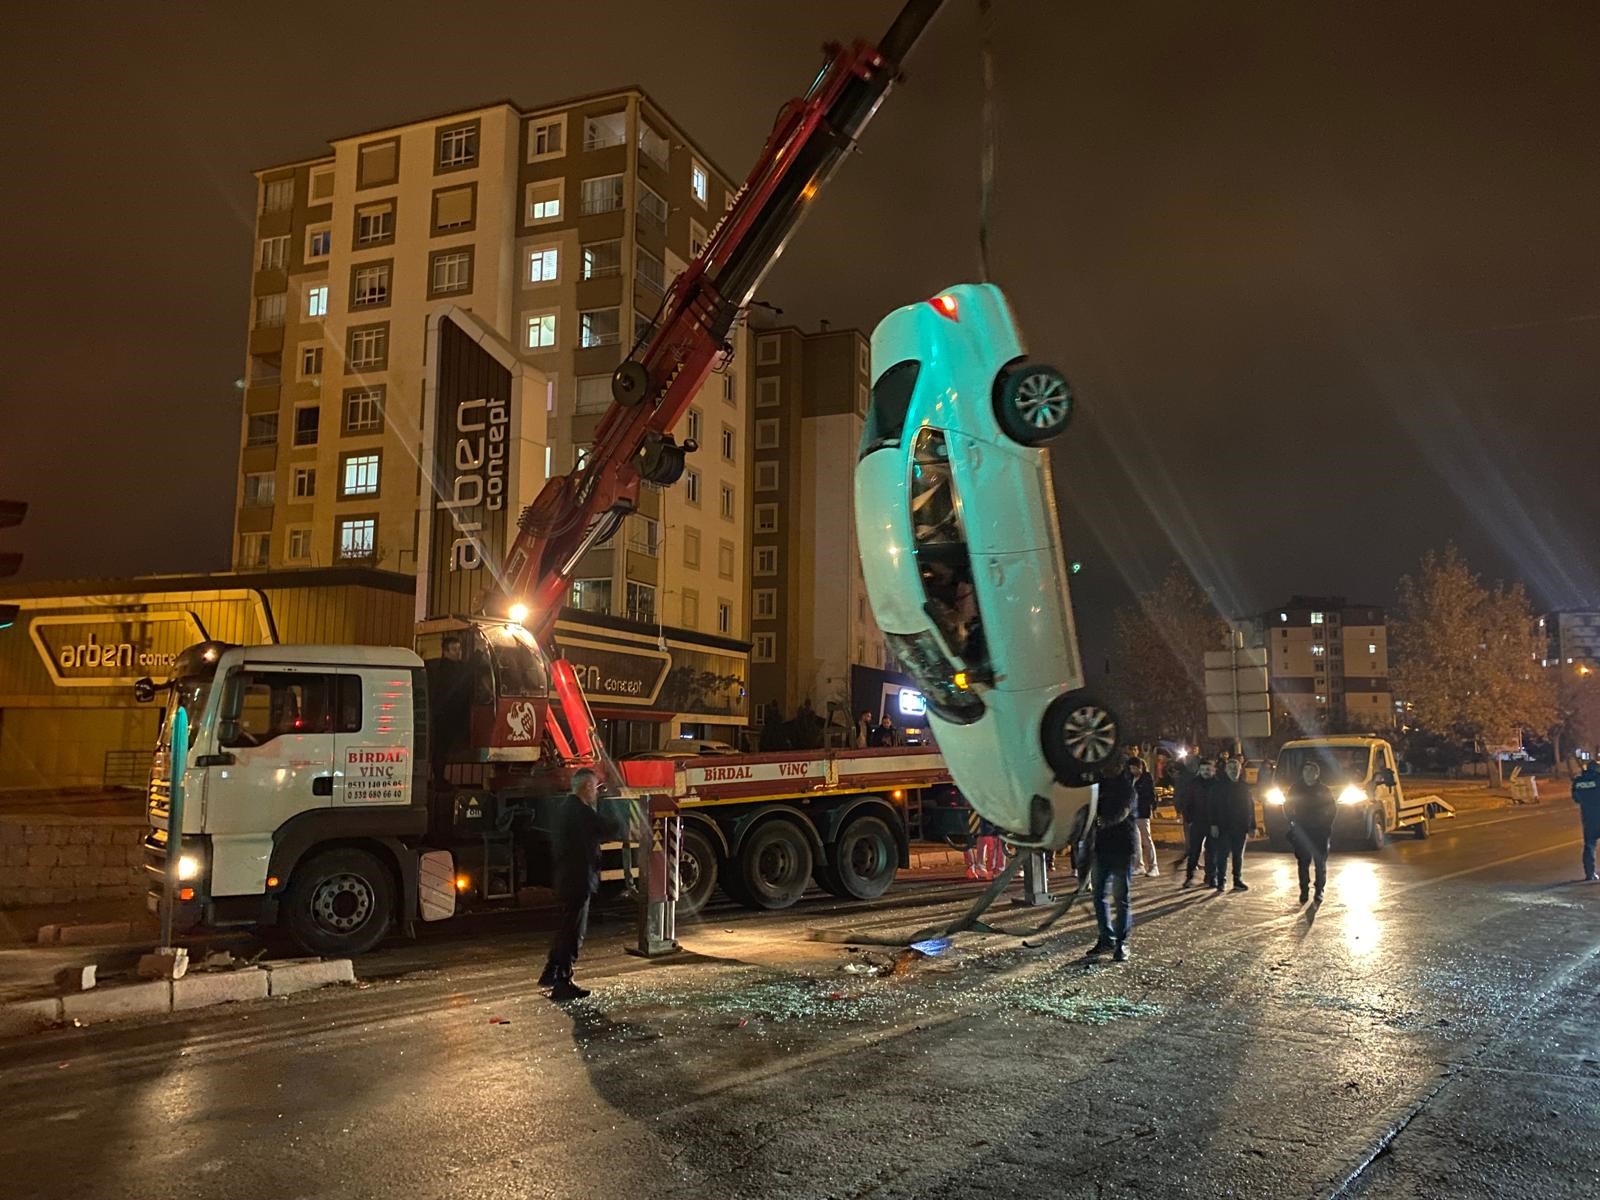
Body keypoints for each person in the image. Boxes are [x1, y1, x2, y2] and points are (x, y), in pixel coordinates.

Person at [539, 767, 611, 1001]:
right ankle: (563, 981)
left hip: (567, 878)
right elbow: (608, 828)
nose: (596, 793)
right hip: (579, 879)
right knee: (573, 932)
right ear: (587, 787)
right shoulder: (582, 812)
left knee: (566, 927)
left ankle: (551, 972)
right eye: (595, 788)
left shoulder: (565, 809)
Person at [1085, 771, 1137, 961]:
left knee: (1120, 897)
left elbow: (1122, 811)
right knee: (1099, 895)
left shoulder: (1126, 787)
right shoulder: (1098, 785)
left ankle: (1122, 942)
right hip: (1101, 848)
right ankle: (1106, 938)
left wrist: (1102, 822)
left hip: (1123, 848)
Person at [1285, 759, 1336, 905]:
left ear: (1317, 773)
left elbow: (1332, 809)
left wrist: (1326, 825)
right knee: (1303, 862)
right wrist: (1292, 822)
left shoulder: (1324, 790)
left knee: (1320, 863)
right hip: (1302, 831)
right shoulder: (1295, 789)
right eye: (1305, 770)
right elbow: (1287, 806)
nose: (1308, 774)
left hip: (1320, 832)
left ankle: (1319, 890)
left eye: (1311, 771)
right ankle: (1304, 891)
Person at [425, 634, 473, 782]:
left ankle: (438, 777)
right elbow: (463, 677)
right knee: (442, 748)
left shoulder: (446, 667)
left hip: (448, 715)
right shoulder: (446, 668)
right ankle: (438, 778)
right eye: (454, 649)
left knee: (443, 748)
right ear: (445, 652)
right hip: (445, 716)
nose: (458, 652)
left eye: (459, 649)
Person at [1211, 757, 1256, 891]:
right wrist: (1213, 824)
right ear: (1225, 770)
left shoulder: (1244, 787)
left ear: (1240, 770)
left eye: (1235, 768)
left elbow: (1250, 807)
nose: (1233, 771)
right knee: (1222, 855)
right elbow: (1212, 807)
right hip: (1223, 826)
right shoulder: (1218, 787)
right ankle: (1221, 881)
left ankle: (1237, 880)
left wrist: (1252, 826)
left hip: (1240, 827)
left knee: (1238, 855)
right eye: (1230, 768)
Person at [1178, 758, 1216, 888]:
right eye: (1203, 769)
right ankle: (1189, 877)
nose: (1206, 772)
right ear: (1199, 770)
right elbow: (1187, 802)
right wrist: (1189, 819)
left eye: (1208, 769)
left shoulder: (1217, 785)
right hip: (1197, 822)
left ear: (1213, 770)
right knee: (1194, 851)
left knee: (1211, 852)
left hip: (1213, 823)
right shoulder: (1193, 784)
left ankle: (1210, 877)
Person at [1128, 756, 1158, 876]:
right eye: (1131, 768)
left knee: (1146, 840)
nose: (1133, 770)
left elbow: (1151, 795)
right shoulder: (1130, 778)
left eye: (1135, 768)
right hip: (1132, 813)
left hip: (1142, 812)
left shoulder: (1146, 778)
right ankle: (1139, 865)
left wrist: (1152, 808)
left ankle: (1153, 866)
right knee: (1135, 841)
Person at [1572, 758, 1600, 882]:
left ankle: (1590, 874)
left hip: (1588, 817)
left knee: (1589, 845)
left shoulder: (1578, 781)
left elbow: (1576, 799)